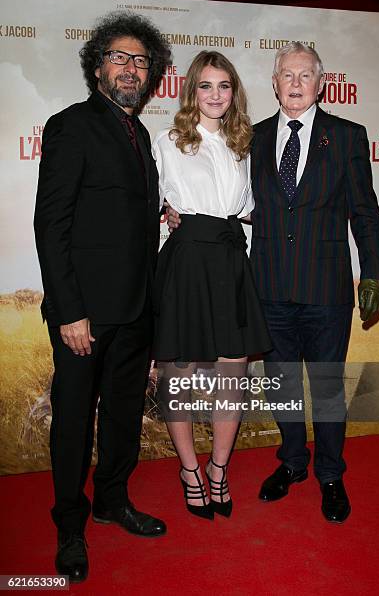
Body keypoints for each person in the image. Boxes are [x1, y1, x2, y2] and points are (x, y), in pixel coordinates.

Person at [168, 42, 379, 524]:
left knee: (327, 387)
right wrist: (174, 209)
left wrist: (373, 271)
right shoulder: (250, 137)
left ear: (320, 83)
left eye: (304, 75)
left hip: (327, 289)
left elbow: (366, 212)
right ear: (274, 82)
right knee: (283, 385)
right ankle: (293, 463)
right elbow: (225, 196)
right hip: (267, 286)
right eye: (286, 75)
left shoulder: (348, 136)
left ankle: (331, 473)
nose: (294, 84)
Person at [34, 11, 171, 582]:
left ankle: (113, 502)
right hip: (83, 316)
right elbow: (52, 225)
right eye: (118, 57)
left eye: (140, 60)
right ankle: (70, 525)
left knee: (121, 417)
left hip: (135, 311)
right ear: (96, 68)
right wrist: (69, 312)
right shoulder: (70, 126)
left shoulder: (140, 135)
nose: (130, 68)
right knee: (72, 420)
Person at [152, 51, 271, 520]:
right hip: (184, 263)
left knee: (231, 375)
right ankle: (189, 471)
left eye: (224, 86)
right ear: (191, 91)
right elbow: (147, 198)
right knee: (177, 375)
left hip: (230, 259)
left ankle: (218, 469)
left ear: (234, 92)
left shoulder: (244, 143)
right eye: (206, 85)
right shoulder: (167, 141)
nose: (215, 95)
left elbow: (248, 206)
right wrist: (166, 211)